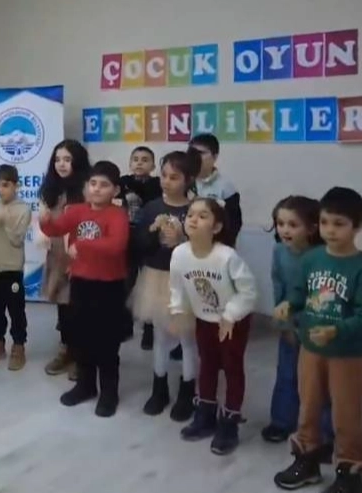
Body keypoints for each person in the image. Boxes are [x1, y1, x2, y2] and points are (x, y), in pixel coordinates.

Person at [273, 187, 362, 493]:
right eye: (324, 222)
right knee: (308, 406)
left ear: (357, 226)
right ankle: (307, 460)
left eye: (339, 224)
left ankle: (350, 471)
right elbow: (300, 292)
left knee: (347, 413)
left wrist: (338, 331)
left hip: (348, 355)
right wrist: (290, 304)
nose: (330, 230)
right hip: (310, 349)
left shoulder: (359, 266)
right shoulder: (312, 258)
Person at [39, 161, 129, 418]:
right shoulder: (77, 210)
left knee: (107, 343)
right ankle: (86, 385)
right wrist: (46, 222)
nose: (97, 189)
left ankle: (109, 393)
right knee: (81, 338)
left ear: (115, 190)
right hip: (81, 283)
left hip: (109, 286)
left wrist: (83, 245)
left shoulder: (117, 215)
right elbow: (57, 229)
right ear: (86, 186)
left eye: (104, 185)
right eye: (93, 183)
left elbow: (116, 246)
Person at [171, 198, 257, 456]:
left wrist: (231, 315)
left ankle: (229, 421)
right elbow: (177, 287)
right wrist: (177, 311)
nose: (193, 220)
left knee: (232, 368)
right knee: (207, 365)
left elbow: (248, 291)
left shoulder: (227, 257)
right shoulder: (180, 254)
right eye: (190, 214)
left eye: (202, 216)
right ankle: (205, 413)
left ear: (216, 227)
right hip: (204, 319)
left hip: (232, 322)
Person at [262, 196, 333, 451]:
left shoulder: (324, 256)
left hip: (318, 329)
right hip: (290, 326)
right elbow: (278, 286)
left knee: (320, 382)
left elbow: (325, 298)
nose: (285, 230)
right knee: (287, 374)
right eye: (280, 223)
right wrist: (285, 326)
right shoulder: (279, 251)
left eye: (293, 225)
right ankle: (282, 421)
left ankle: (324, 432)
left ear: (312, 228)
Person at [133, 151, 199, 422]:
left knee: (188, 339)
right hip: (157, 277)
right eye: (164, 175)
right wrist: (152, 233)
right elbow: (139, 244)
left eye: (174, 177)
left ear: (188, 179)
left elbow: (206, 248)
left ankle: (188, 391)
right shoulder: (152, 207)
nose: (167, 181)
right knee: (161, 337)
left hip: (187, 281)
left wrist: (183, 238)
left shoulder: (196, 210)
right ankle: (159, 389)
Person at [38, 139, 90, 379]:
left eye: (67, 159)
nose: (61, 164)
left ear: (77, 162)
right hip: (57, 255)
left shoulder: (87, 190)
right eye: (57, 159)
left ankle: (82, 356)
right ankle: (66, 349)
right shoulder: (50, 189)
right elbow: (44, 222)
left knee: (80, 307)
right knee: (63, 306)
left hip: (81, 255)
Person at [0, 164, 32, 371]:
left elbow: (17, 239)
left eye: (6, 185)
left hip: (12, 268)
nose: (1, 190)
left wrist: (5, 221)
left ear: (16, 185)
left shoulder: (23, 209)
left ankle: (19, 345)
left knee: (16, 308)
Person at [119, 145, 162, 351]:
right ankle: (125, 325)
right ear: (130, 163)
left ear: (153, 166)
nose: (139, 163)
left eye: (145, 160)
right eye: (135, 159)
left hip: (149, 240)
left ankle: (149, 329)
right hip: (126, 240)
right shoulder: (122, 182)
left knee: (148, 287)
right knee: (126, 284)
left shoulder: (158, 185)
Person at [188, 133, 242, 247]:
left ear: (215, 156)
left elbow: (234, 224)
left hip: (216, 247)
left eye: (201, 153)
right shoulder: (184, 182)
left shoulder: (226, 187)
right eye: (192, 153)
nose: (195, 157)